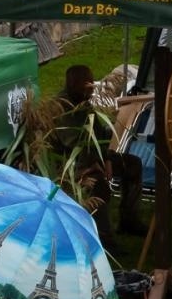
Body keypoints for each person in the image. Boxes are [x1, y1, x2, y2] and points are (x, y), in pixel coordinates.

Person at [56, 65, 145, 237]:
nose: (90, 93)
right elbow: (74, 144)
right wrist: (97, 165)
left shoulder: (83, 102)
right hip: (71, 163)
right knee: (99, 186)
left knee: (133, 164)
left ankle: (129, 219)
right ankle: (103, 236)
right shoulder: (61, 108)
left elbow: (98, 136)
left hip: (95, 157)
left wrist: (108, 159)